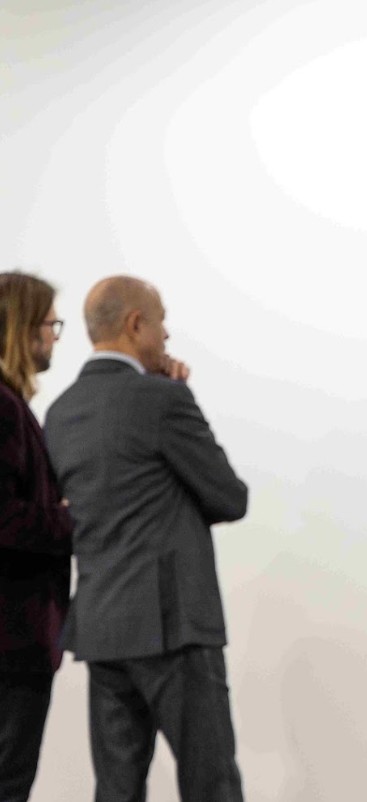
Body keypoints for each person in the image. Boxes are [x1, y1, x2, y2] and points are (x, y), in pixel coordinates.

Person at [44, 276, 248, 802]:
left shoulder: (60, 412)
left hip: (100, 627)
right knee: (211, 785)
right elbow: (230, 497)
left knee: (116, 790)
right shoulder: (161, 398)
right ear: (136, 325)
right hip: (173, 625)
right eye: (161, 322)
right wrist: (178, 392)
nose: (166, 336)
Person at [0, 272, 74, 802]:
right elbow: (4, 518)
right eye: (51, 324)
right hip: (13, 640)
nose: (54, 336)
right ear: (23, 330)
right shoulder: (4, 409)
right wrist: (73, 518)